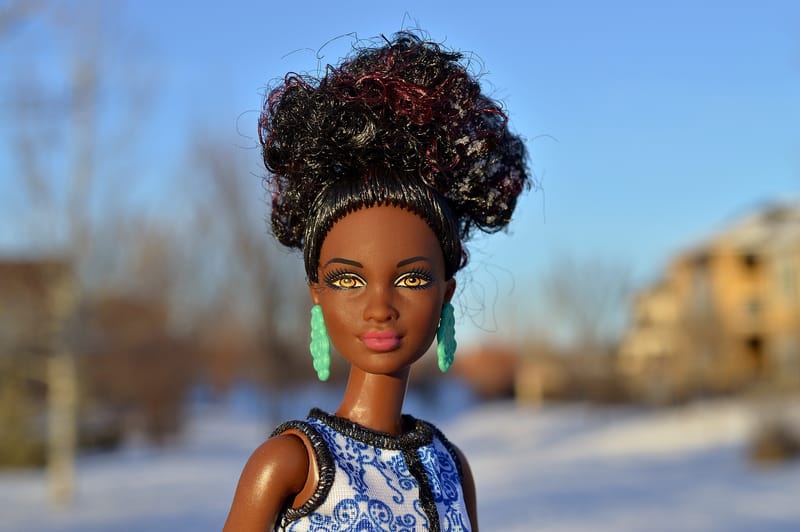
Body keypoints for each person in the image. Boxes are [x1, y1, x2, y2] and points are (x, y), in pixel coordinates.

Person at [224, 31, 529, 532]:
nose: (380, 307)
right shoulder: (291, 467)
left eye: (412, 278)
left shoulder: (451, 468)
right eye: (348, 280)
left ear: (446, 294)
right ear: (317, 293)